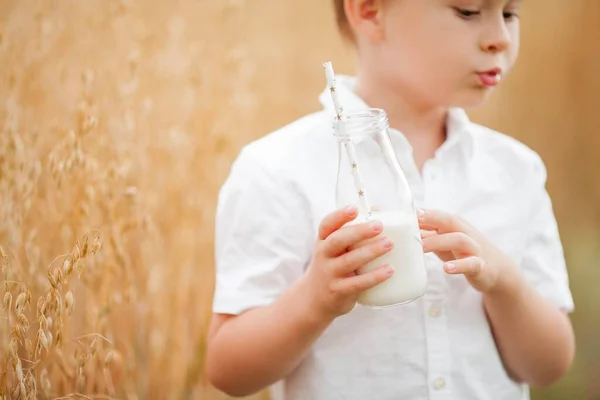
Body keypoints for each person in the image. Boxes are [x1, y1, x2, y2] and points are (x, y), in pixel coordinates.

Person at [206, 1, 576, 399]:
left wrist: (504, 282)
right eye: (468, 12)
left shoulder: (515, 170)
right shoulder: (279, 169)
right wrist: (315, 299)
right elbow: (229, 371)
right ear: (370, 13)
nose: (500, 39)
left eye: (509, 13)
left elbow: (548, 366)